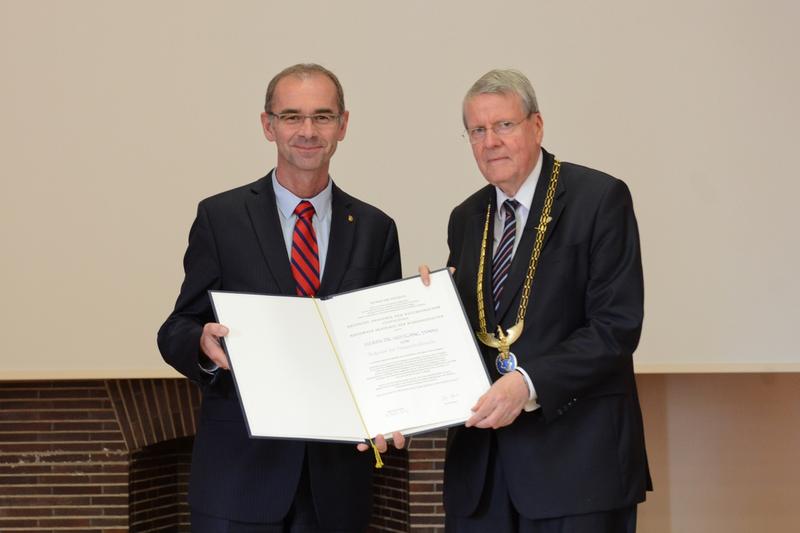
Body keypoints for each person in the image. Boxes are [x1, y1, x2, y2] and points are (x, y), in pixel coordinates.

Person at [158, 63, 404, 532]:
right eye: (292, 117)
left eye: (322, 117)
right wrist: (202, 345)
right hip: (238, 480)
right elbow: (176, 328)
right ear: (268, 125)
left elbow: (380, 348)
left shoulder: (376, 229)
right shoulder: (220, 218)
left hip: (337, 484)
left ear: (343, 125)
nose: (307, 131)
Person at [421, 69, 651, 532]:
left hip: (576, 469)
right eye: (477, 131)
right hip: (482, 479)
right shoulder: (465, 218)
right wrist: (430, 310)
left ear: (537, 125)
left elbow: (616, 326)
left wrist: (527, 382)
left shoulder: (599, 198)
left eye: (504, 125)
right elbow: (477, 331)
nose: (491, 142)